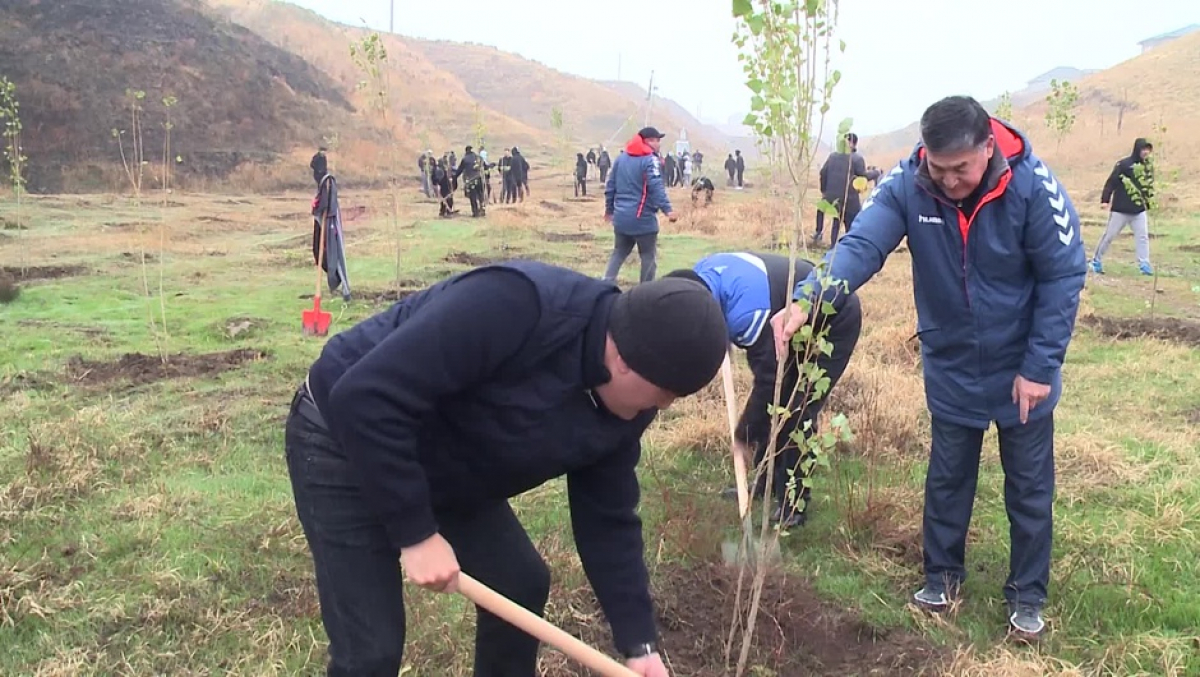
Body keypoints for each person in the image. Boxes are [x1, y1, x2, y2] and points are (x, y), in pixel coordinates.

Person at [285, 261, 731, 677]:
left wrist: (640, 645)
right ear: (624, 360)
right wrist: (416, 533)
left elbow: (608, 516)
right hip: (343, 437)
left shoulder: (632, 402)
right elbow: (363, 398)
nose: (662, 408)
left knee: (518, 584)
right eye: (662, 395)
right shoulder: (516, 305)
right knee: (372, 649)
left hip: (446, 459)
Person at [771, 95, 1087, 640]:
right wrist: (809, 298)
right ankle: (942, 575)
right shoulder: (909, 182)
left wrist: (1039, 365)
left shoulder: (1034, 187)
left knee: (1030, 486)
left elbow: (1063, 276)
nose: (948, 182)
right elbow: (862, 244)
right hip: (953, 361)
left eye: (960, 169)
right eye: (938, 169)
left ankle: (1027, 593)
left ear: (988, 147)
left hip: (1023, 365)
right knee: (948, 476)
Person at [665, 252, 862, 527]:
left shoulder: (746, 313)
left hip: (832, 317)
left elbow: (770, 381)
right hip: (785, 318)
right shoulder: (703, 275)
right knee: (777, 407)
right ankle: (764, 484)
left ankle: (794, 504)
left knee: (798, 409)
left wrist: (744, 434)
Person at [603, 127, 676, 283]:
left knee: (619, 252)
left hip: (621, 217)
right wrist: (667, 209)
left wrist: (609, 210)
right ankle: (645, 292)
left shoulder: (620, 158)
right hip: (643, 218)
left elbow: (610, 186)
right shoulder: (650, 160)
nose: (659, 144)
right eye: (656, 140)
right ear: (648, 141)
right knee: (648, 256)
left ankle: (605, 284)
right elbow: (656, 186)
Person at [1091, 138, 1155, 275]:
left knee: (1142, 236)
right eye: (1143, 149)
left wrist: (1148, 202)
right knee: (1109, 235)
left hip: (1138, 210)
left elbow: (1147, 187)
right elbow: (1111, 182)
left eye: (1148, 150)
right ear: (1137, 149)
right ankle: (1096, 260)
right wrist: (1105, 199)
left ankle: (1144, 264)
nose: (1145, 152)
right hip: (1120, 210)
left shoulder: (1147, 167)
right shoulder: (1124, 165)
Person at [815, 132, 876, 246]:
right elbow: (863, 176)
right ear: (854, 144)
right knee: (852, 225)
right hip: (849, 199)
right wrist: (876, 173)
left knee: (836, 222)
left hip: (832, 197)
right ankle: (851, 247)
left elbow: (823, 172)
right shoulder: (857, 159)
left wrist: (824, 190)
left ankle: (831, 245)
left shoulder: (833, 156)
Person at [454, 145, 487, 218]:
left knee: (473, 197)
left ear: (466, 151)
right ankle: (482, 210)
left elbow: (460, 170)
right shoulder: (479, 158)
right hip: (479, 179)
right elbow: (485, 166)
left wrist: (455, 177)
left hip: (471, 180)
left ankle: (475, 212)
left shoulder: (465, 159)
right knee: (481, 195)